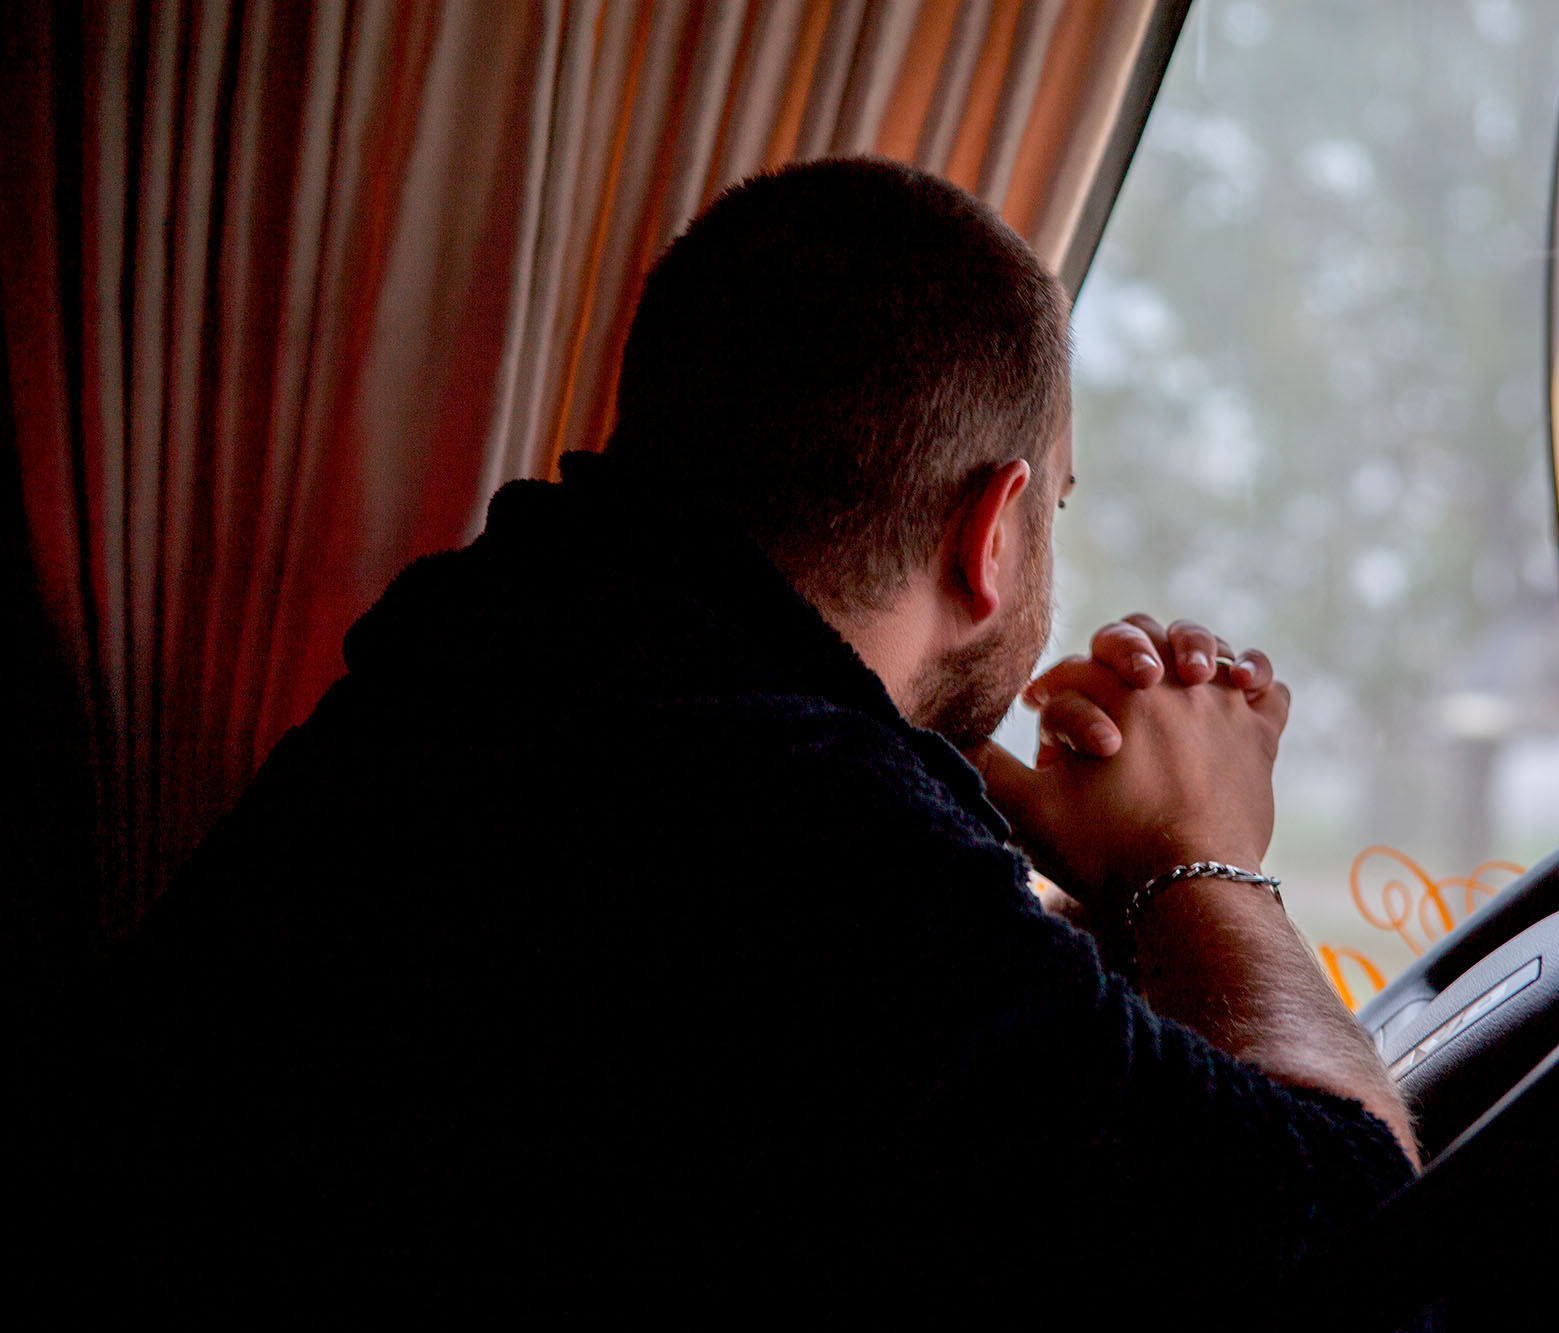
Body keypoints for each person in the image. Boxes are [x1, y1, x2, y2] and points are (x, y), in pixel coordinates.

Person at [79, 157, 1417, 1314]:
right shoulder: (795, 832)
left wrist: (1073, 870)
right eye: (1057, 503)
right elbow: (1350, 1251)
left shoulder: (514, 659)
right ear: (993, 529)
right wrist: (1206, 856)